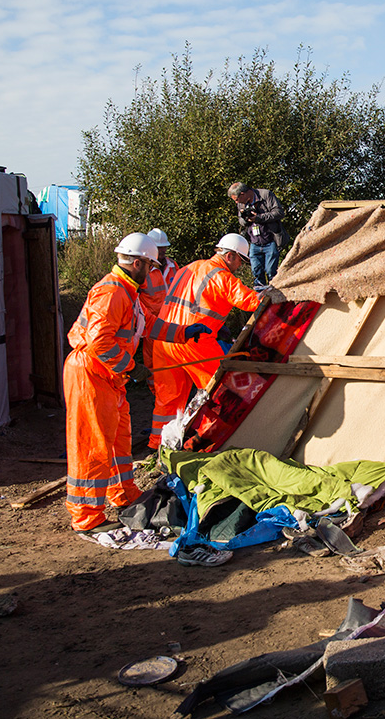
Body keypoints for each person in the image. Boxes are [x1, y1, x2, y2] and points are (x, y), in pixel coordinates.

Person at [63, 233, 156, 533]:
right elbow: (99, 342)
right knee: (93, 445)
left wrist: (184, 332)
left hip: (108, 377)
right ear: (138, 263)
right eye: (151, 266)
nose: (153, 272)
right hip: (91, 374)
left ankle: (123, 494)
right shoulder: (114, 291)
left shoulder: (127, 292)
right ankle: (87, 516)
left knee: (117, 439)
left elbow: (147, 326)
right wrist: (133, 368)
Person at [147, 234, 263, 449]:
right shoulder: (221, 276)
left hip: (165, 338)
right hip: (194, 341)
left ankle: (159, 445)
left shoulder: (189, 268)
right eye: (240, 260)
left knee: (167, 398)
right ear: (229, 256)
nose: (240, 267)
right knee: (217, 391)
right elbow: (251, 302)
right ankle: (208, 439)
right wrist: (277, 293)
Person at [226, 182, 290, 289]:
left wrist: (259, 217)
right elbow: (241, 221)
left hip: (270, 239)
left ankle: (275, 295)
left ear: (242, 194)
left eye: (236, 199)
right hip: (254, 241)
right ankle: (260, 299)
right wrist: (245, 218)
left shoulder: (265, 195)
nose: (236, 202)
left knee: (271, 272)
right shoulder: (241, 204)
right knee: (256, 271)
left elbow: (279, 212)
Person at [139, 228, 180, 390]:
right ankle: (155, 389)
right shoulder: (145, 270)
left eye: (164, 247)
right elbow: (137, 298)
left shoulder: (173, 266)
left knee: (172, 357)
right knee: (151, 360)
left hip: (171, 321)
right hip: (151, 323)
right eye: (158, 247)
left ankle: (171, 386)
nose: (162, 251)